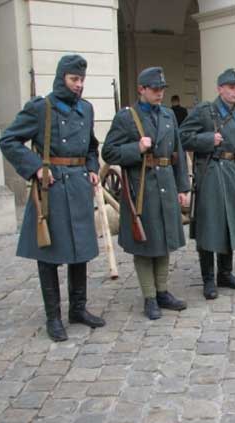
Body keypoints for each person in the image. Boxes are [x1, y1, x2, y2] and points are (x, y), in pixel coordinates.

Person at [0, 54, 105, 341]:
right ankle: (53, 317)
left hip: (79, 186)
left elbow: (92, 147)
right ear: (62, 78)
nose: (79, 85)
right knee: (49, 253)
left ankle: (78, 309)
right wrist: (35, 169)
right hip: (51, 190)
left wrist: (93, 168)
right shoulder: (41, 108)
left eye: (82, 80)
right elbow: (8, 140)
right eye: (74, 79)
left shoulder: (86, 109)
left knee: (80, 249)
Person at [102, 67, 190, 320]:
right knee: (145, 244)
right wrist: (136, 148)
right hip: (141, 189)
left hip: (166, 184)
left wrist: (182, 186)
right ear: (141, 89)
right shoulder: (126, 118)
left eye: (162, 89)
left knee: (164, 241)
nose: (159, 93)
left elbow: (178, 154)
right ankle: (149, 297)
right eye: (154, 89)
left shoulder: (168, 115)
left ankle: (162, 291)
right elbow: (109, 152)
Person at [179, 68, 235, 300]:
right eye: (230, 87)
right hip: (210, 174)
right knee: (209, 226)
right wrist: (207, 140)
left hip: (234, 175)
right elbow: (181, 137)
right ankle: (209, 279)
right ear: (219, 88)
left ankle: (226, 273)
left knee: (230, 223)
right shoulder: (204, 111)